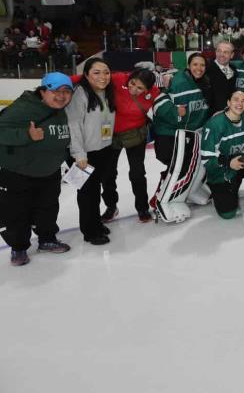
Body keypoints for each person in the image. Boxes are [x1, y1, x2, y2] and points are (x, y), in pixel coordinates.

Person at [0, 72, 73, 266]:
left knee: (48, 209)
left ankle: (47, 239)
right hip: (18, 172)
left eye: (66, 91)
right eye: (55, 91)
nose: (62, 95)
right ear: (42, 91)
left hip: (49, 171)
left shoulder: (60, 110)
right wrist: (26, 135)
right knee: (18, 212)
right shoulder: (23, 109)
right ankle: (19, 247)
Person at [66, 58, 117, 245]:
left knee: (95, 191)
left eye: (106, 72)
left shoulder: (106, 93)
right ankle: (89, 231)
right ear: (86, 75)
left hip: (102, 149)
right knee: (87, 195)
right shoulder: (80, 95)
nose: (103, 76)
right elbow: (74, 126)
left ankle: (95, 223)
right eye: (96, 72)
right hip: (84, 154)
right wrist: (79, 154)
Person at [102, 68, 158, 223]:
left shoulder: (154, 93)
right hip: (111, 136)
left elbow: (165, 107)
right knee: (108, 173)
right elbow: (88, 77)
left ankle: (142, 208)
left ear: (148, 89)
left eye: (140, 88)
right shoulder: (119, 78)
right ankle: (111, 206)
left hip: (135, 136)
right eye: (132, 84)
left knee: (137, 173)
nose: (134, 89)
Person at [152, 52, 212, 168]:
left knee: (188, 170)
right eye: (195, 64)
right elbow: (157, 104)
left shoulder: (207, 83)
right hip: (170, 136)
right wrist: (175, 112)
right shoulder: (177, 82)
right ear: (188, 66)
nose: (199, 68)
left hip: (190, 135)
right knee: (176, 171)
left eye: (202, 65)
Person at [200, 90, 244, 219]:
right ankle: (218, 189)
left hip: (241, 163)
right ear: (228, 102)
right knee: (228, 213)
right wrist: (228, 163)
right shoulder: (215, 125)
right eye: (236, 99)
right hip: (222, 170)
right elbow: (206, 159)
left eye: (243, 100)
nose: (240, 103)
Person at [207, 40, 237, 113]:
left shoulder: (234, 69)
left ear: (232, 55)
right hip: (213, 115)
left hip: (230, 113)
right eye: (219, 51)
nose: (221, 54)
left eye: (226, 52)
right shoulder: (207, 70)